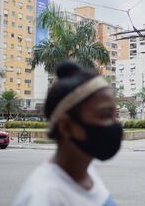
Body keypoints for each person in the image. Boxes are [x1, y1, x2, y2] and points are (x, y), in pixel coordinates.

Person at [13, 60, 122, 206]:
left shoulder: (86, 172)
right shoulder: (42, 197)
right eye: (105, 114)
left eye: (115, 114)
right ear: (67, 127)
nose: (115, 123)